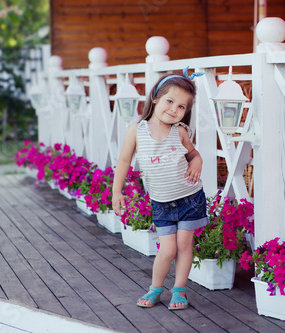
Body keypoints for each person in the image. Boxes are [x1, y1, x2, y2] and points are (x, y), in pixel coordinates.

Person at [112, 70, 208, 310]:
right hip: (162, 201)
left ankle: (180, 290)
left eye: (181, 106)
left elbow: (193, 153)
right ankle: (155, 288)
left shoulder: (180, 131)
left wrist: (198, 160)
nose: (174, 109)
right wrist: (117, 191)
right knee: (167, 248)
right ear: (155, 97)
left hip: (190, 198)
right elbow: (124, 161)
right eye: (170, 101)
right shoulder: (137, 131)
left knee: (185, 245)